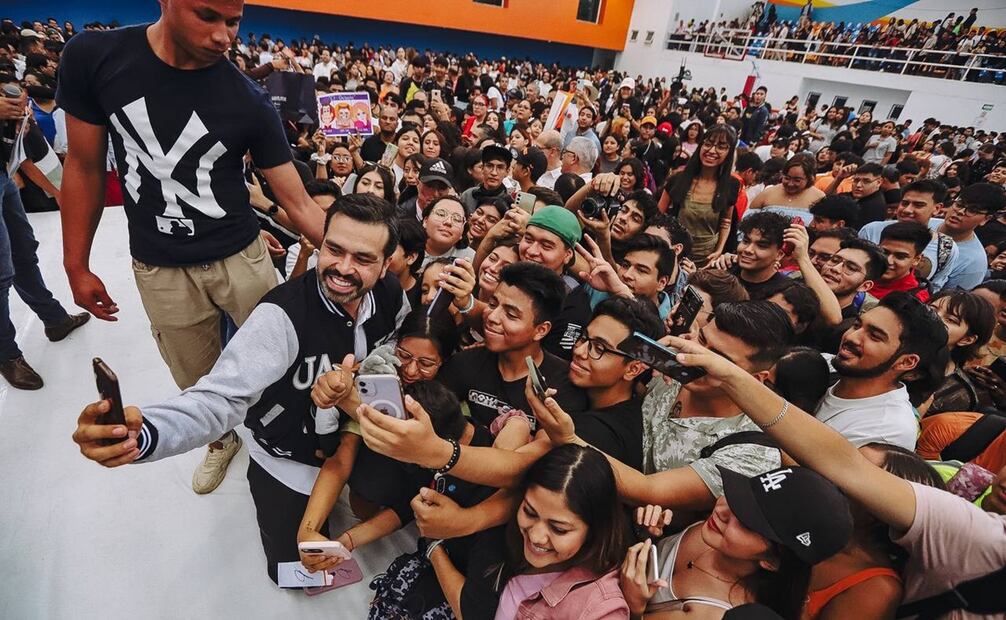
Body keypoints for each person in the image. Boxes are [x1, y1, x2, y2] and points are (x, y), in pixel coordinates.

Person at [57, 3, 328, 494]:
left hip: (241, 257)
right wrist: (76, 264)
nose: (225, 36)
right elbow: (83, 166)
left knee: (283, 360)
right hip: (159, 266)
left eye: (234, 21)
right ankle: (221, 439)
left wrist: (369, 253)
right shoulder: (93, 58)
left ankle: (286, 431)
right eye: (208, 16)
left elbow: (300, 203)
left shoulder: (249, 100)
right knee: (195, 374)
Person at [71, 193, 408, 583]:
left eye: (363, 259)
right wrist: (146, 433)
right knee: (297, 571)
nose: (343, 268)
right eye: (334, 250)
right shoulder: (281, 316)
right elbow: (220, 398)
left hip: (353, 439)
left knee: (395, 493)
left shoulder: (391, 295)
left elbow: (398, 348)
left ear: (386, 265)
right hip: (289, 456)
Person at [662, 332, 1006, 620]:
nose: (831, 481)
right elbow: (838, 462)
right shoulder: (981, 539)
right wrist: (731, 377)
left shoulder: (873, 589)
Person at [415, 444, 631, 619]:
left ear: (594, 531)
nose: (536, 536)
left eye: (558, 529)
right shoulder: (507, 541)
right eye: (529, 512)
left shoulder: (600, 610)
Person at [621, 466, 853, 618]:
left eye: (746, 522)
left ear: (771, 561)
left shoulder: (712, 614)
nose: (723, 511)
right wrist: (647, 530)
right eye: (739, 496)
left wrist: (634, 608)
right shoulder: (716, 531)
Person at [816, 291, 947, 448]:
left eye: (875, 336)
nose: (851, 337)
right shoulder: (823, 363)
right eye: (857, 325)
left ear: (906, 362)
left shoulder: (887, 430)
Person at [659, 125, 740, 266]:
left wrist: (719, 250)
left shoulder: (731, 184)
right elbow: (658, 215)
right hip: (673, 254)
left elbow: (726, 222)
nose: (712, 150)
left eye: (721, 147)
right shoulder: (678, 179)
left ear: (729, 152)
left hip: (707, 260)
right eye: (708, 144)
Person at [859, 179, 959, 292]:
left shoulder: (946, 248)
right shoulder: (871, 230)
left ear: (937, 208)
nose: (907, 210)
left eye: (918, 205)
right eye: (905, 203)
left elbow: (935, 287)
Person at [936, 183, 1004, 291]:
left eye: (972, 210)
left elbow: (949, 299)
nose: (960, 212)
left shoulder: (974, 262)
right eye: (959, 205)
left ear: (986, 219)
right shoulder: (923, 223)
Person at [746, 154, 825, 220]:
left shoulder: (819, 198)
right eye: (787, 178)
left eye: (797, 180)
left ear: (810, 179)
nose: (790, 184)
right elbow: (746, 222)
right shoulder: (767, 193)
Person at [872, 221, 936, 302]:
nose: (889, 261)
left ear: (916, 259)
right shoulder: (861, 272)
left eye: (900, 257)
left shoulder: (916, 299)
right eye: (884, 252)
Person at [420, 196, 474, 269]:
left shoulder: (471, 259)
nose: (448, 222)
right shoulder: (406, 245)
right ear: (425, 221)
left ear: (462, 232)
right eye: (441, 214)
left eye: (457, 219)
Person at [459, 144, 511, 213]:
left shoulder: (510, 204)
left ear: (507, 172)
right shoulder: (468, 196)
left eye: (500, 167)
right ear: (482, 168)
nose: (494, 173)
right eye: (489, 166)